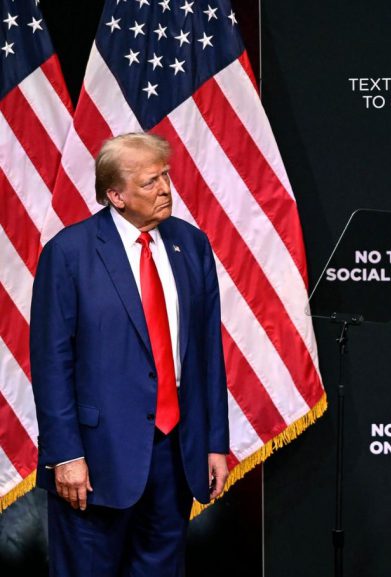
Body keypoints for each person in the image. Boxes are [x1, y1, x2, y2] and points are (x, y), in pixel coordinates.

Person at [30, 133, 229, 577]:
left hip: (175, 452)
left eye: (165, 177)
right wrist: (65, 456)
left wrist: (216, 441)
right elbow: (50, 365)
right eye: (150, 182)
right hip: (94, 460)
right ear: (115, 195)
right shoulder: (69, 253)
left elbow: (207, 353)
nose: (165, 190)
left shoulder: (191, 245)